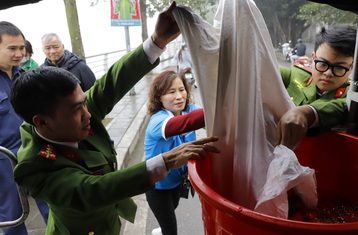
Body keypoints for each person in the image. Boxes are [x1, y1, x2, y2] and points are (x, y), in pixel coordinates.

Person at [10, 3, 219, 234]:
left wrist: (157, 41)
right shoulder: (34, 166)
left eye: (84, 104)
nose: (89, 114)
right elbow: (92, 190)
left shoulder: (71, 112)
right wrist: (166, 161)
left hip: (109, 222)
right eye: (77, 109)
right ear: (41, 122)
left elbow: (110, 84)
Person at [0, 21, 49, 235]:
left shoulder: (25, 76)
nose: (19, 53)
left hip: (35, 148)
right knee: (13, 216)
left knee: (51, 202)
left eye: (22, 48)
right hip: (4, 159)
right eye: (12, 48)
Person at [144, 71, 205, 235]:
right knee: (171, 229)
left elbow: (210, 119)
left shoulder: (189, 110)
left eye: (181, 89)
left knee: (171, 212)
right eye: (171, 92)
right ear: (160, 97)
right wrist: (215, 109)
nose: (179, 96)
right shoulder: (157, 121)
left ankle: (161, 229)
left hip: (177, 182)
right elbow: (180, 124)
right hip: (157, 187)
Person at [277, 25, 357, 150]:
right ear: (313, 58)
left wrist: (306, 113)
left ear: (351, 68)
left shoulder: (352, 95)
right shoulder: (296, 75)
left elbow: (340, 107)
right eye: (322, 64)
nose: (328, 73)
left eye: (339, 67)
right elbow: (266, 69)